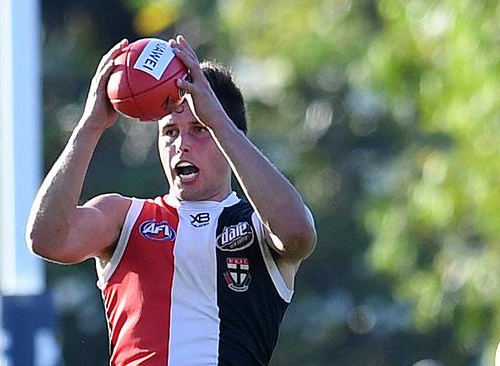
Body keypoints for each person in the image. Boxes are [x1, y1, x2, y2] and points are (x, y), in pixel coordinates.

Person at [26, 35, 317, 366]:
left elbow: (298, 234)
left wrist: (217, 119)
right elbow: (46, 239)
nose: (181, 144)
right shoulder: (124, 217)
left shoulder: (258, 224)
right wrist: (90, 125)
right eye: (170, 131)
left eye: (199, 128)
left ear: (227, 134)